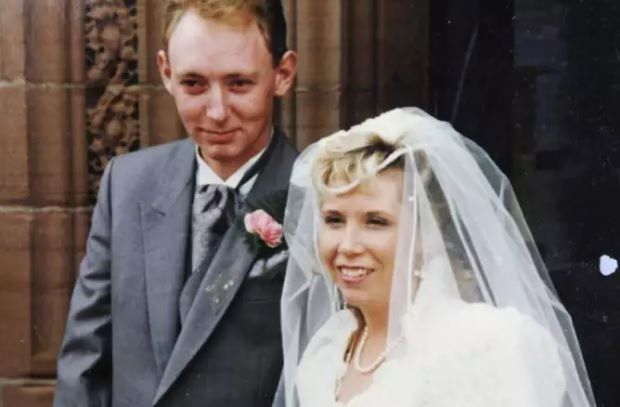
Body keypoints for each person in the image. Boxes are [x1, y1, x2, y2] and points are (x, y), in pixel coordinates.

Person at [54, 1, 297, 406]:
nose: (216, 112)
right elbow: (85, 356)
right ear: (166, 72)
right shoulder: (128, 184)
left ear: (283, 74)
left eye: (239, 83)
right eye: (194, 84)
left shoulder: (319, 198)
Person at [280, 108, 596, 406]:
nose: (347, 245)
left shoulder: (492, 345)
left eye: (376, 222)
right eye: (334, 220)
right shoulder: (327, 349)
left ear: (426, 234)